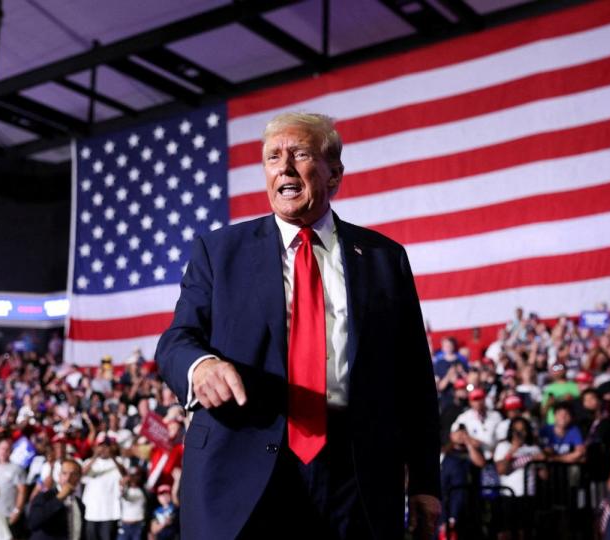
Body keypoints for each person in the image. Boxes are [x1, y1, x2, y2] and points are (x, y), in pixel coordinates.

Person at [155, 112, 441, 539]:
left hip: (354, 475)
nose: (284, 168)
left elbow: (414, 380)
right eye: (273, 157)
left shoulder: (384, 259)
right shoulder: (220, 251)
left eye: (300, 154)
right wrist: (201, 366)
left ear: (334, 174)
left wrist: (424, 484)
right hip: (241, 465)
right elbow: (177, 340)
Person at [29, 458, 84, 540]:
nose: (68, 478)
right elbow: (33, 523)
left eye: (73, 474)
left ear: (79, 478)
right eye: (64, 473)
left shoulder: (79, 504)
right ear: (59, 476)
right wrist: (59, 498)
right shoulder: (44, 496)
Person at [0, 439, 27, 535]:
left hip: (9, 516)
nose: (4, 451)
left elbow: (22, 491)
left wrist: (17, 511)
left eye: (7, 449)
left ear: (11, 452)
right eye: (2, 449)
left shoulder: (17, 469)